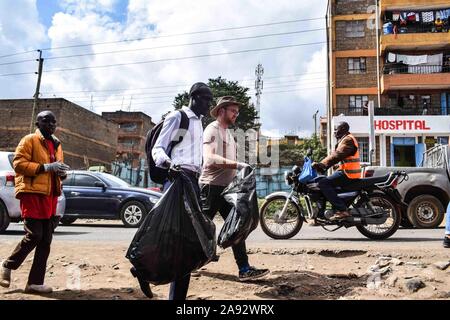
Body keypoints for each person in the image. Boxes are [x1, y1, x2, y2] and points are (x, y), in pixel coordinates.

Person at [152, 82, 213, 300]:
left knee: (186, 243)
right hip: (177, 181)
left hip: (193, 182)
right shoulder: (179, 117)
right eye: (206, 99)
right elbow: (158, 148)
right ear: (194, 97)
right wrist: (169, 166)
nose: (209, 104)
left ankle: (172, 294)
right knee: (179, 242)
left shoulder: (200, 123)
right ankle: (145, 270)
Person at [199, 96, 269, 281]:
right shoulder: (212, 130)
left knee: (237, 226)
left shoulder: (228, 133)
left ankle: (244, 269)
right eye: (233, 111)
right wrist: (238, 165)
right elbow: (210, 159)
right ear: (221, 111)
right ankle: (184, 262)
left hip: (226, 190)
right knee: (199, 229)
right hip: (210, 188)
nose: (236, 114)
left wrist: (240, 171)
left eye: (237, 112)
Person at [0, 111, 70, 294]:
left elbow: (58, 169)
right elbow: (19, 164)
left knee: (46, 240)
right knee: (35, 235)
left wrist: (62, 173)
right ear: (38, 123)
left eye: (54, 121)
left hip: (50, 195)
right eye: (46, 121)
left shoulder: (57, 143)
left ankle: (34, 283)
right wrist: (46, 167)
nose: (51, 124)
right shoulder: (29, 140)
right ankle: (7, 265)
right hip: (31, 193)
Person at [312, 121, 361, 221]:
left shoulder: (348, 140)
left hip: (349, 174)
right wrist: (329, 167)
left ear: (343, 129)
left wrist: (323, 164)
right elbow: (342, 158)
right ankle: (321, 215)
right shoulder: (345, 139)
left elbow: (338, 155)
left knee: (323, 183)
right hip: (346, 172)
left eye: (336, 129)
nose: (334, 132)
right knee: (323, 180)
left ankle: (342, 210)